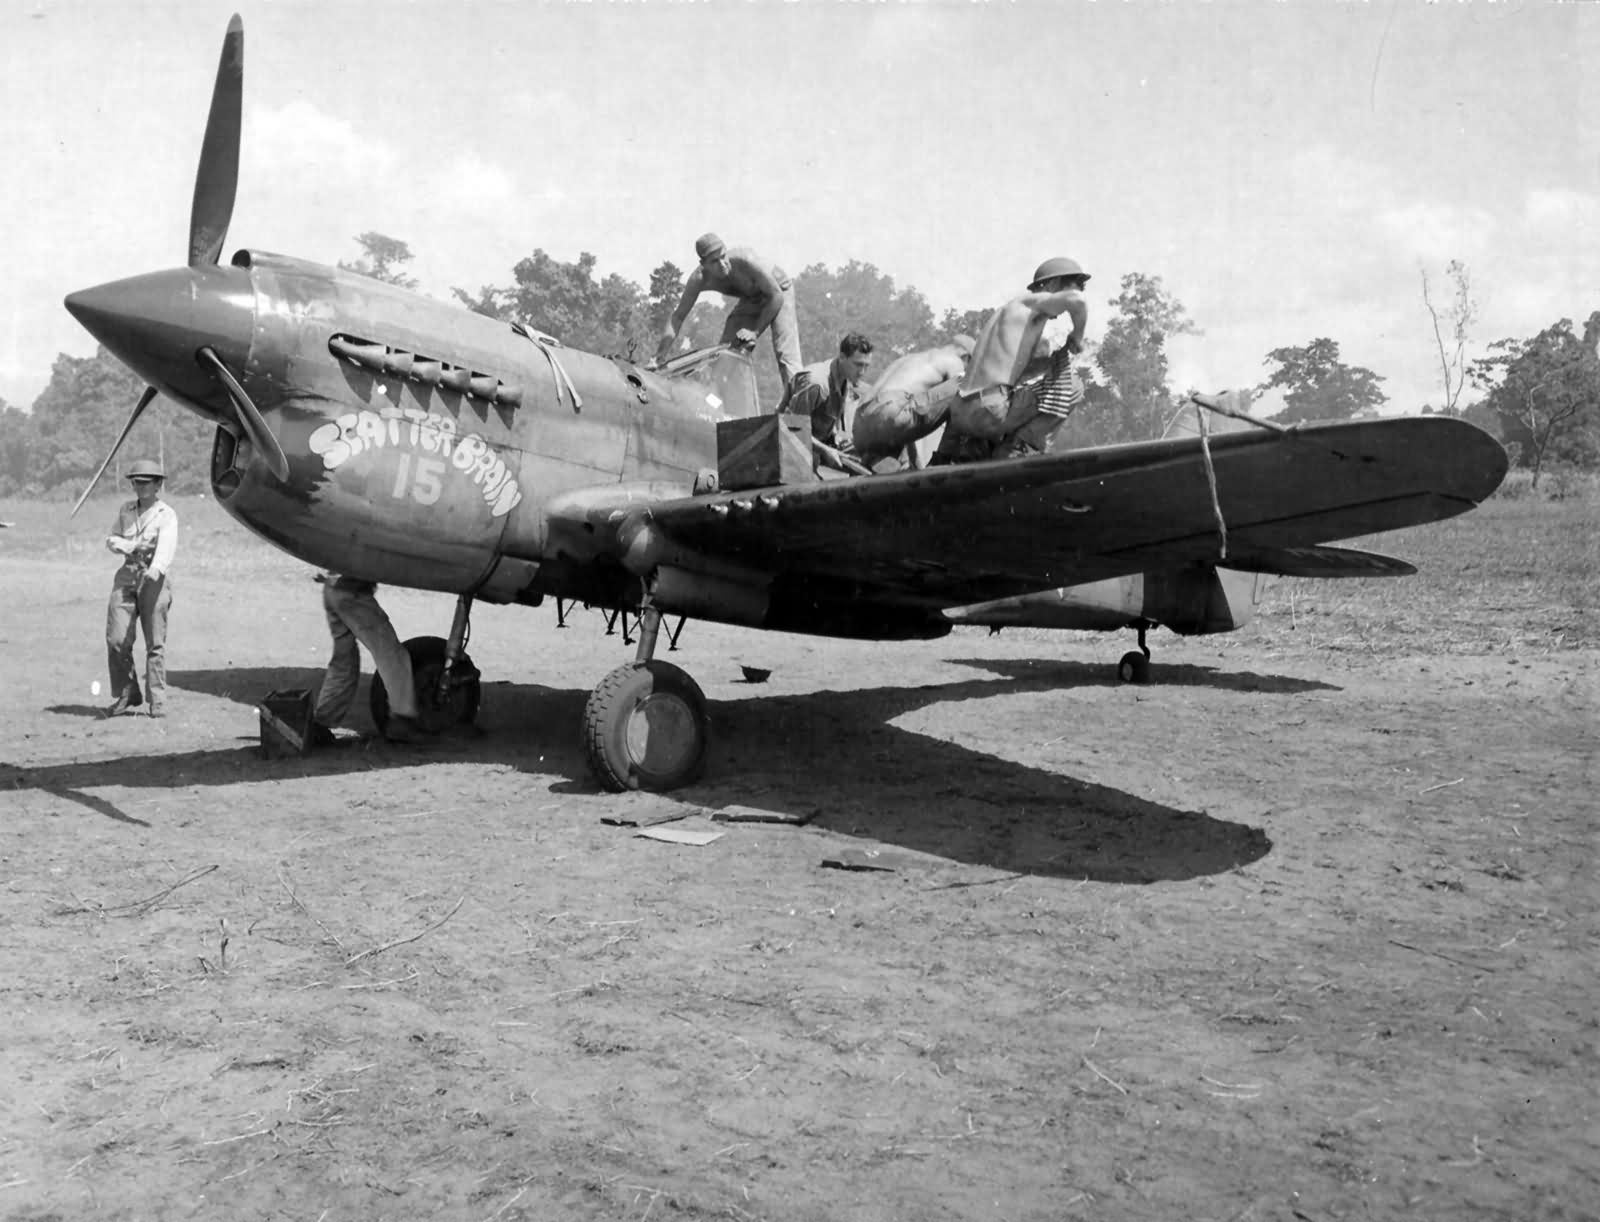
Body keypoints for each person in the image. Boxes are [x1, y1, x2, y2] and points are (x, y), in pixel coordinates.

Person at [934, 257, 1091, 464]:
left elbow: (1010, 373)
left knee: (1021, 392)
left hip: (961, 412)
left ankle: (961, 454)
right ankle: (1018, 450)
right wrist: (1077, 336)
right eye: (1074, 285)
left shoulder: (1008, 314)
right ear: (1053, 284)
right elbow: (1078, 300)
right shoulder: (1032, 304)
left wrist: (1048, 365)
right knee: (1073, 385)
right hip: (989, 412)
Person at [655, 233, 805, 390]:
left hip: (778, 289)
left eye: (723, 256)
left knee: (785, 353)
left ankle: (799, 404)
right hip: (751, 297)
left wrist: (754, 332)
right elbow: (678, 317)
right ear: (703, 264)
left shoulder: (745, 260)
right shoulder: (698, 279)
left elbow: (776, 297)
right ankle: (724, 406)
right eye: (714, 261)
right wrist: (658, 356)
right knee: (725, 353)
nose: (722, 264)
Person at [310, 572, 428, 745]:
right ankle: (401, 719)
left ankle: (321, 723)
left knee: (344, 663)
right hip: (352, 595)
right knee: (391, 653)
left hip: (332, 590)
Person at [103, 459, 179, 718]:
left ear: (158, 484)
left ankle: (157, 699)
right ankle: (127, 692)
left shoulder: (166, 514)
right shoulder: (126, 510)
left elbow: (166, 549)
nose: (141, 487)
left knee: (155, 643)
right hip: (127, 575)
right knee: (116, 640)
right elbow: (112, 539)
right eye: (137, 482)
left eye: (147, 482)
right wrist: (131, 547)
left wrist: (154, 570)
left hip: (154, 578)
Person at [851, 335, 976, 469]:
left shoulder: (910, 359)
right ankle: (943, 460)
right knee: (964, 384)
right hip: (892, 413)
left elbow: (900, 418)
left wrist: (917, 468)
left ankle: (876, 463)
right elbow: (959, 404)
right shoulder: (954, 361)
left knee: (894, 459)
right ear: (966, 357)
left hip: (860, 424)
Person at [779, 332, 875, 470]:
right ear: (842, 357)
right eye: (858, 365)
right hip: (791, 448)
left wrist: (838, 438)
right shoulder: (816, 383)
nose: (862, 372)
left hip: (820, 441)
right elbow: (791, 428)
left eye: (866, 366)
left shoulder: (846, 378)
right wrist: (826, 450)